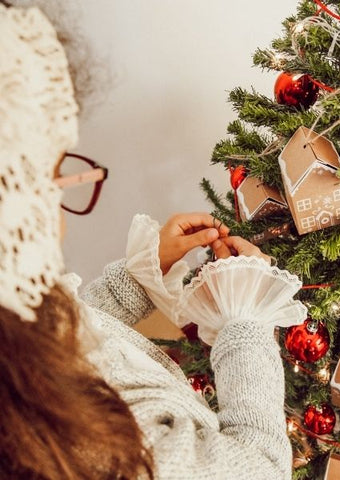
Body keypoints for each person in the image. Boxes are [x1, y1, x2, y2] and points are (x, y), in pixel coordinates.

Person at [0, 3, 307, 479]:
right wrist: (244, 323)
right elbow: (257, 469)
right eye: (49, 178)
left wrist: (138, 279)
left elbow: (67, 336)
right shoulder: (80, 438)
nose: (58, 221)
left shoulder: (17, 331)